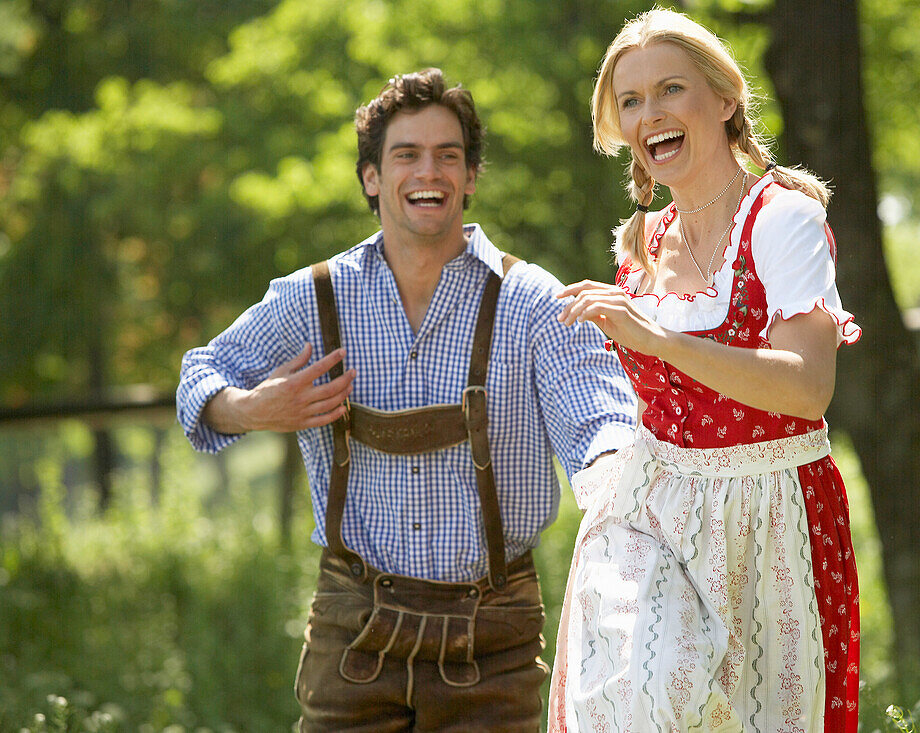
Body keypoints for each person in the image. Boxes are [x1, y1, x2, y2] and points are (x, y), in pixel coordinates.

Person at [176, 68, 636, 732]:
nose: (431, 171)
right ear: (371, 177)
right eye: (407, 155)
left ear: (471, 177)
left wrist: (619, 487)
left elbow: (601, 418)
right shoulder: (314, 298)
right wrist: (250, 409)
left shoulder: (530, 301)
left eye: (449, 156)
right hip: (350, 632)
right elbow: (199, 375)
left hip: (493, 635)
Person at [547, 9, 862, 732]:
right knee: (632, 700)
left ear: (724, 99)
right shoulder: (642, 246)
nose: (649, 113)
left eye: (670, 90)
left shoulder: (781, 221)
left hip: (767, 513)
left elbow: (809, 387)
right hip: (651, 507)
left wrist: (659, 338)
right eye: (631, 101)